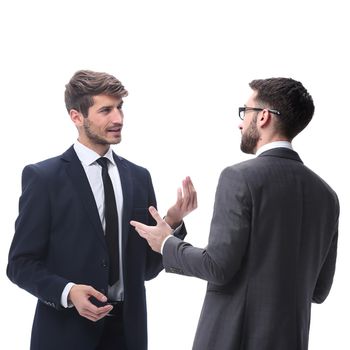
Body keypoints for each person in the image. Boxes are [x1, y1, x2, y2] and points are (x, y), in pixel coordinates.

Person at [130, 77, 340, 350]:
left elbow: (217, 267)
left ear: (264, 117)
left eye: (245, 111)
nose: (241, 122)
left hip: (233, 339)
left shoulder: (240, 177)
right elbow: (319, 290)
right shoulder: (327, 195)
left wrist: (167, 243)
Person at [6, 69, 197, 350]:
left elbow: (146, 268)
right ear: (76, 117)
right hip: (65, 333)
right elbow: (20, 264)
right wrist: (68, 292)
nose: (118, 119)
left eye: (120, 108)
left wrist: (172, 221)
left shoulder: (139, 177)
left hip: (128, 333)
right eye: (106, 110)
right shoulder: (44, 178)